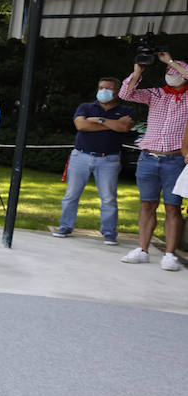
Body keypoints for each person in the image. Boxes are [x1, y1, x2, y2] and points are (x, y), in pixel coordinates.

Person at [118, 51, 188, 270]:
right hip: (148, 157)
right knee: (147, 204)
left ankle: (169, 254)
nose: (170, 72)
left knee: (172, 207)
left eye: (175, 69)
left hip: (175, 159)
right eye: (168, 70)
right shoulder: (156, 94)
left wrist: (170, 61)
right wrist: (138, 70)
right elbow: (125, 94)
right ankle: (142, 249)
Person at [54, 77, 134, 243]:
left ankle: (109, 233)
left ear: (117, 91)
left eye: (108, 88)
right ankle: (65, 226)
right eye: (101, 87)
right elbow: (81, 126)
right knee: (71, 195)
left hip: (109, 159)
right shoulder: (85, 107)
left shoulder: (126, 110)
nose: (103, 91)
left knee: (108, 198)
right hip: (81, 156)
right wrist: (112, 124)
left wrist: (98, 120)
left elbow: (124, 127)